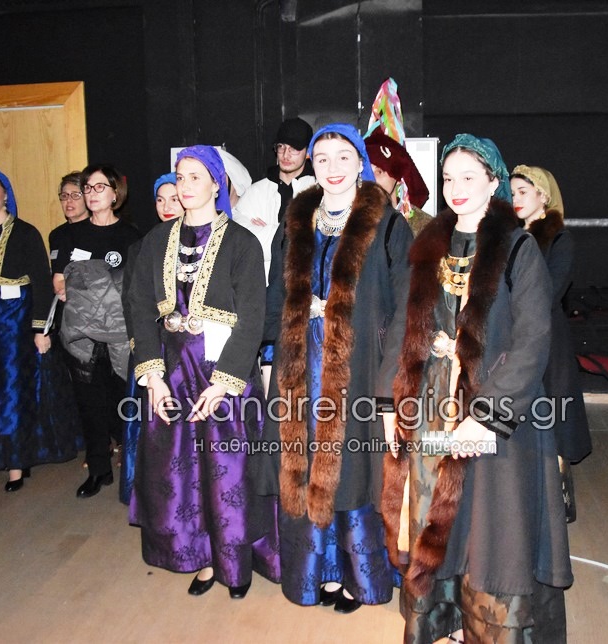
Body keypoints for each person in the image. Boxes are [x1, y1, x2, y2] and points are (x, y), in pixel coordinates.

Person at [381, 135, 572, 642]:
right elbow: (401, 327)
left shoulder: (518, 248)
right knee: (434, 518)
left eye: (469, 177)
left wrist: (485, 415)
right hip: (431, 408)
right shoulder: (428, 247)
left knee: (492, 531)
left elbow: (534, 339)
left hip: (496, 409)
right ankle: (443, 619)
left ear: (493, 182)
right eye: (449, 178)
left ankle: (488, 628)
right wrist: (387, 400)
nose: (456, 187)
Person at [259, 123, 412, 613]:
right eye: (322, 158)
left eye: (343, 157)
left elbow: (407, 306)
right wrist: (269, 357)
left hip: (361, 368)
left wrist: (392, 379)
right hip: (300, 367)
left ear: (360, 163)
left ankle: (357, 577)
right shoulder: (295, 222)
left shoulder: (388, 226)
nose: (332, 168)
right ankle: (315, 572)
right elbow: (275, 296)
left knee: (354, 471)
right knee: (303, 465)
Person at [127, 145, 278, 598]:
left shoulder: (241, 243)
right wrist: (153, 377)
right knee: (183, 475)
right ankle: (204, 558)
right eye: (180, 176)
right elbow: (139, 308)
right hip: (173, 371)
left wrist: (224, 384)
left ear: (217, 185)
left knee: (229, 472)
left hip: (223, 375)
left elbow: (251, 319)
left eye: (195, 177)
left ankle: (237, 562)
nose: (185, 185)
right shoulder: (156, 241)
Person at [0, 168, 70, 491]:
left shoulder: (25, 233)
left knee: (11, 390)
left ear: (5, 194)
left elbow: (41, 283)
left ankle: (16, 462)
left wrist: (40, 329)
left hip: (13, 324)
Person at [52, 163, 140, 498]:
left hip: (119, 336)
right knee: (89, 405)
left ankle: (132, 469)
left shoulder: (131, 236)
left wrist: (87, 287)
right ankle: (98, 469)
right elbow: (60, 283)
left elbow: (134, 289)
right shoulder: (68, 235)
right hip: (81, 336)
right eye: (87, 188)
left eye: (99, 187)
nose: (91, 194)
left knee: (122, 403)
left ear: (115, 193)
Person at [511, 165, 591, 522]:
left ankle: (559, 503)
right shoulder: (511, 237)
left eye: (523, 192)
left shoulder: (560, 240)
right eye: (512, 192)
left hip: (547, 340)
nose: (515, 199)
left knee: (551, 417)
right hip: (513, 336)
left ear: (543, 196)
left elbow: (550, 292)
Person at [118, 171, 183, 504]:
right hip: (151, 349)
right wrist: (143, 353)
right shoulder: (141, 247)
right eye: (160, 199)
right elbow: (132, 304)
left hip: (187, 351)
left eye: (174, 198)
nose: (167, 206)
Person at [233, 117, 316, 281]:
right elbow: (241, 242)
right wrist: (290, 234)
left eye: (294, 149)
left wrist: (266, 232)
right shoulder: (256, 191)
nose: (286, 154)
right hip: (262, 285)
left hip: (305, 284)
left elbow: (315, 244)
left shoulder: (318, 190)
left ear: (308, 152)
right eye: (281, 147)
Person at [364, 128, 432, 236]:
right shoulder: (349, 222)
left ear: (398, 179)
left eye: (379, 171)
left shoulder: (424, 228)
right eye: (365, 172)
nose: (371, 179)